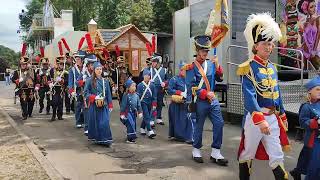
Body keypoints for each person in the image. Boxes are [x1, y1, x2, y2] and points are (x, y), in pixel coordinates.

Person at [237, 13, 290, 180]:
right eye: (265, 44)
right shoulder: (248, 68)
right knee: (247, 152)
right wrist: (260, 120)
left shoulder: (273, 68)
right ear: (256, 46)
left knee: (277, 154)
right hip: (256, 118)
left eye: (270, 44)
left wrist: (282, 113)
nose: (269, 47)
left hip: (273, 117)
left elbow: (277, 93)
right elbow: (249, 96)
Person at [185, 35, 227, 165]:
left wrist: (218, 66)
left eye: (207, 51)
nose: (205, 53)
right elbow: (191, 86)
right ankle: (196, 150)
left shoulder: (211, 64)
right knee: (199, 126)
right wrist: (204, 93)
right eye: (203, 50)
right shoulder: (190, 67)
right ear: (197, 51)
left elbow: (220, 78)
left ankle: (216, 151)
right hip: (200, 101)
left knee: (219, 123)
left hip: (213, 100)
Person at [290, 76, 320, 180]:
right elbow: (303, 122)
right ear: (310, 91)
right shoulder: (306, 106)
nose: (319, 91)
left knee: (308, 160)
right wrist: (315, 122)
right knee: (313, 165)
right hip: (313, 140)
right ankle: (298, 172)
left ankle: (297, 171)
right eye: (317, 89)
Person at [84, 61, 113, 146]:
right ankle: (99, 139)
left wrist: (110, 104)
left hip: (104, 105)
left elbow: (108, 94)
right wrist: (94, 97)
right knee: (96, 123)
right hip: (94, 105)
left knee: (105, 122)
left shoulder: (105, 81)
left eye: (100, 69)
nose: (99, 71)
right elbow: (86, 93)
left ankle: (106, 139)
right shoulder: (89, 80)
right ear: (94, 70)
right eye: (97, 69)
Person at [167, 61, 193, 143]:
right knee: (178, 121)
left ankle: (188, 137)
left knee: (187, 120)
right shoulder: (174, 79)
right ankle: (179, 136)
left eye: (187, 70)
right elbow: (170, 90)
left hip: (187, 103)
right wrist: (179, 92)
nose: (185, 72)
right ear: (180, 70)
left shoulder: (190, 79)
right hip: (176, 104)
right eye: (184, 70)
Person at [12, 44, 36, 120]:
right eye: (22, 64)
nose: (23, 65)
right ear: (20, 64)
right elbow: (13, 79)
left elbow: (36, 80)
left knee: (31, 102)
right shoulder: (17, 72)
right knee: (23, 102)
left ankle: (29, 113)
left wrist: (37, 86)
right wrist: (17, 80)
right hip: (22, 89)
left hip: (31, 89)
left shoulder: (32, 71)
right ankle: (24, 114)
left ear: (26, 64)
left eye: (24, 64)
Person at [145, 53, 168, 126]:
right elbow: (144, 78)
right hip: (152, 88)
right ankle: (152, 118)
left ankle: (158, 118)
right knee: (153, 104)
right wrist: (148, 81)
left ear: (158, 62)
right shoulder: (149, 69)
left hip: (161, 89)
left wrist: (165, 83)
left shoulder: (164, 70)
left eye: (154, 61)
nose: (152, 63)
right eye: (152, 61)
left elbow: (168, 79)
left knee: (160, 103)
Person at [120, 79, 143, 143]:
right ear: (128, 87)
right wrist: (122, 114)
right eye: (132, 86)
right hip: (127, 113)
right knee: (131, 124)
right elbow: (123, 105)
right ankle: (130, 138)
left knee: (134, 124)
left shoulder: (137, 95)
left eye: (135, 86)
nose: (134, 87)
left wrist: (140, 111)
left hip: (133, 112)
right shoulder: (126, 95)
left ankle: (132, 135)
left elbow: (139, 105)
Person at [68, 51, 87, 128]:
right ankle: (78, 121)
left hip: (85, 89)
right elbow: (70, 81)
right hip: (77, 90)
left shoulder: (86, 68)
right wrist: (71, 91)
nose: (77, 60)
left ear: (82, 59)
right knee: (78, 106)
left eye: (78, 59)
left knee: (85, 106)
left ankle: (85, 120)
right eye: (76, 59)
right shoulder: (72, 69)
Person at [137, 69, 157, 139]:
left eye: (148, 75)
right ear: (143, 76)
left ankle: (142, 128)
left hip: (150, 103)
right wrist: (138, 105)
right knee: (147, 116)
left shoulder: (152, 85)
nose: (147, 77)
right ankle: (150, 131)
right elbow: (138, 96)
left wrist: (154, 104)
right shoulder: (139, 85)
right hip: (143, 102)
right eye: (145, 75)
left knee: (147, 116)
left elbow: (154, 96)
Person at [49, 56, 68, 121]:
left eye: (63, 64)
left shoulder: (65, 72)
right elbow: (49, 78)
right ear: (57, 64)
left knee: (60, 103)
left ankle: (60, 115)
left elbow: (67, 80)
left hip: (61, 89)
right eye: (60, 64)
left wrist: (62, 81)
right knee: (54, 102)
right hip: (54, 88)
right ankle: (53, 115)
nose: (62, 65)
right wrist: (50, 83)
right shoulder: (52, 70)